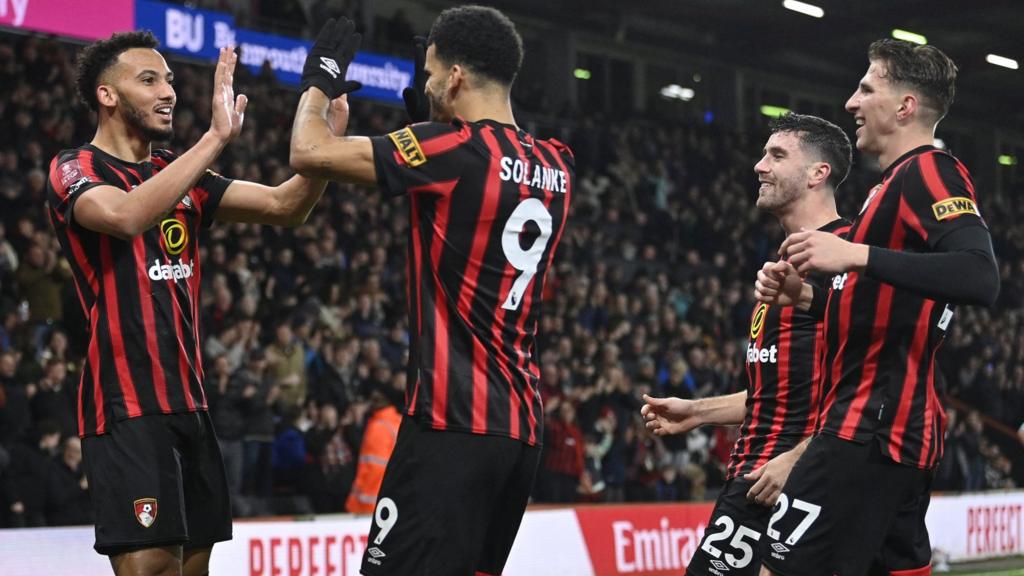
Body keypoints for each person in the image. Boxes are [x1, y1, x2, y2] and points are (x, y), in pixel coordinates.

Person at [46, 31, 353, 575]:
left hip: (192, 405)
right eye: (149, 80)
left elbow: (286, 206)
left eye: (168, 79)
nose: (169, 91)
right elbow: (124, 217)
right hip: (127, 407)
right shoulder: (75, 169)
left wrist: (325, 142)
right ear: (106, 95)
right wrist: (214, 138)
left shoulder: (180, 173)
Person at [289, 6, 574, 575]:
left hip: (450, 425)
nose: (425, 85)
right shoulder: (559, 165)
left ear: (456, 77)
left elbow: (308, 151)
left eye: (429, 74)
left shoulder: (451, 149)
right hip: (519, 432)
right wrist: (432, 125)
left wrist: (318, 83)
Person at [755, 40, 999, 575]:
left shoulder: (930, 171)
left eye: (867, 88)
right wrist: (810, 299)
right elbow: (887, 309)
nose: (851, 102)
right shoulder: (887, 187)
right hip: (895, 434)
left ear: (905, 107)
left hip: (865, 431)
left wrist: (855, 254)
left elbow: (979, 274)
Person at [641, 113, 852, 576]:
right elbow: (776, 393)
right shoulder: (784, 260)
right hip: (758, 474)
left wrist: (796, 459)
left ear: (819, 173)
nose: (759, 165)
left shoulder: (847, 257)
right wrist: (696, 412)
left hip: (794, 479)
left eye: (777, 155)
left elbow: (873, 386)